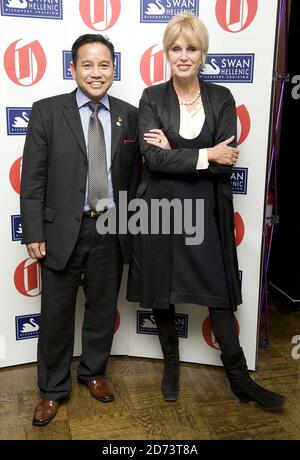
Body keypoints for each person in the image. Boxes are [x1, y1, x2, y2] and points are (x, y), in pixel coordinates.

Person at [127, 13, 286, 410]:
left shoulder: (221, 98)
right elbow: (152, 158)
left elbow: (224, 161)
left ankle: (239, 379)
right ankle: (171, 365)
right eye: (176, 49)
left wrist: (175, 149)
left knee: (218, 293)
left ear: (203, 54)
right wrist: (201, 153)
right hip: (161, 211)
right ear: (167, 53)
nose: (183, 56)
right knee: (162, 294)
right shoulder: (151, 97)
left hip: (206, 212)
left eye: (192, 49)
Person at [20, 34, 140, 426]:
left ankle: (93, 372)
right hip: (59, 233)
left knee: (103, 310)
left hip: (111, 228)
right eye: (87, 65)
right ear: (72, 69)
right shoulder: (47, 111)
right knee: (55, 315)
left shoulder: (129, 114)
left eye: (104, 65)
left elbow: (136, 176)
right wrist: (34, 230)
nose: (96, 72)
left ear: (113, 69)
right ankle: (52, 390)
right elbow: (33, 178)